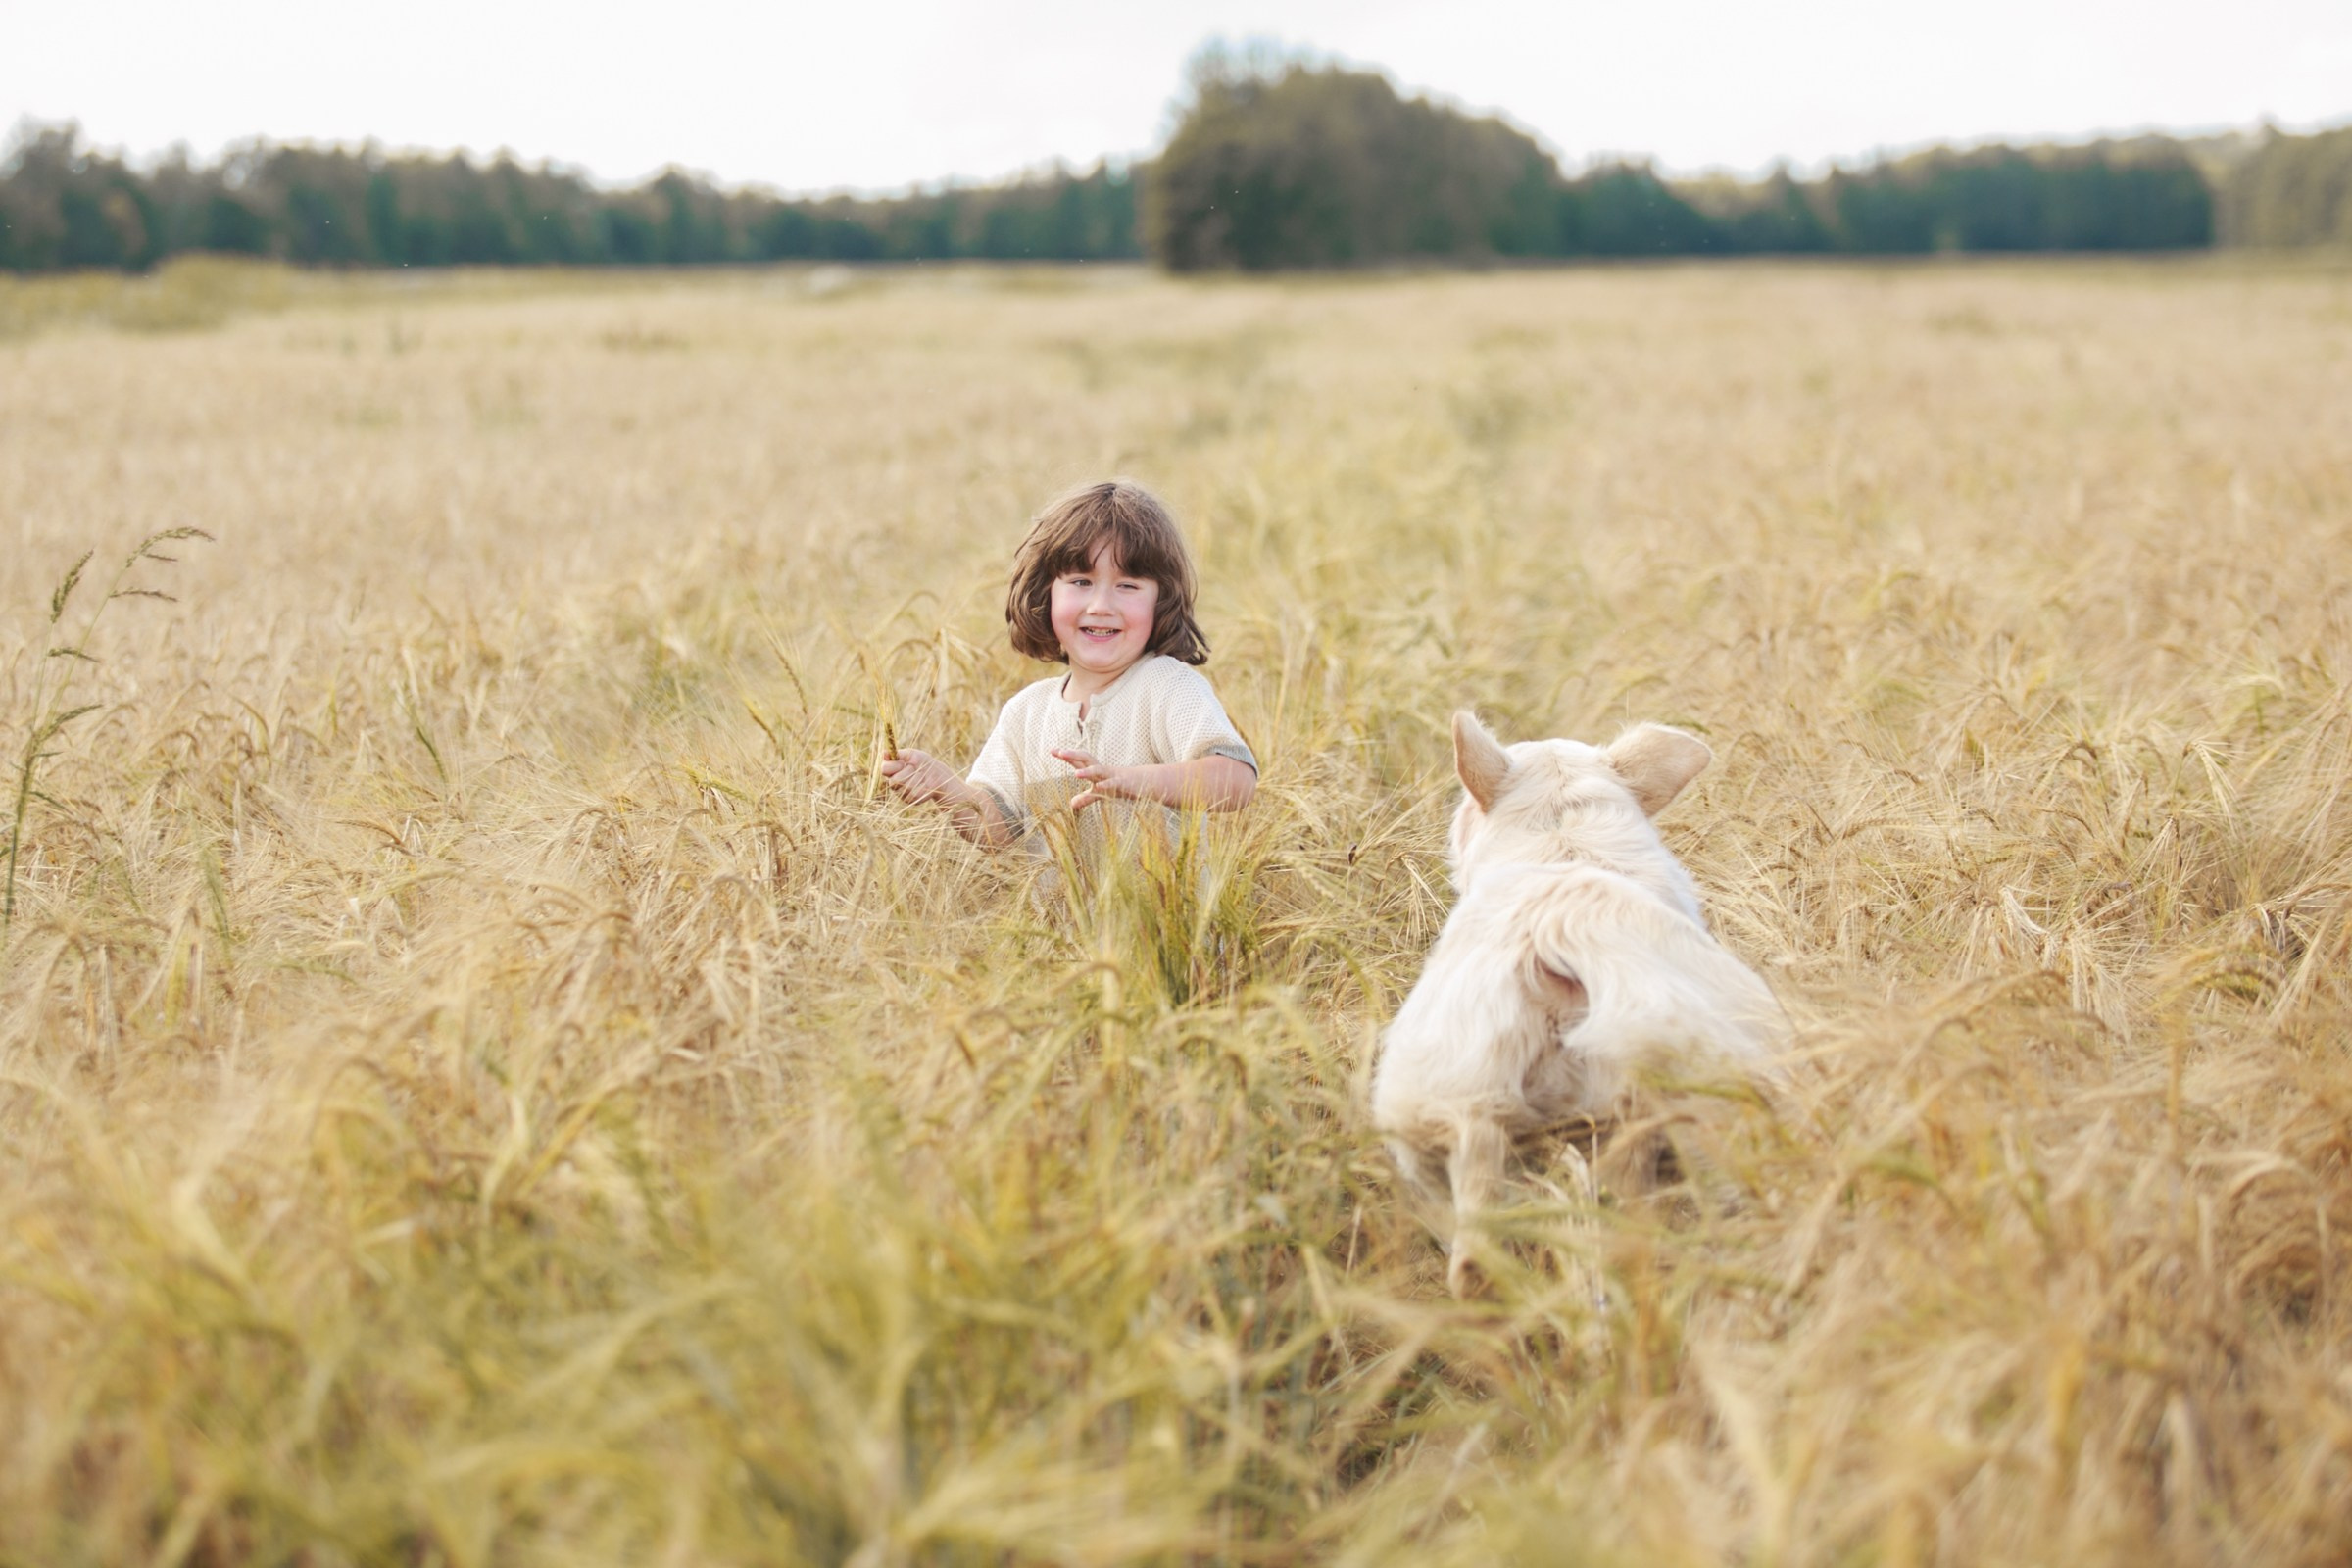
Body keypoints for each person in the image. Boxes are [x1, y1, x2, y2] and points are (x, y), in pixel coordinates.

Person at [882, 479, 1256, 850]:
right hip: (1060, 913)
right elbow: (1000, 832)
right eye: (1081, 581)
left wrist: (1133, 781)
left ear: (1162, 601)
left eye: (1127, 585)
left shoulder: (1168, 686)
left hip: (1171, 910)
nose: (1101, 605)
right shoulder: (1026, 713)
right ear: (1045, 593)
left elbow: (1237, 781)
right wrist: (945, 789)